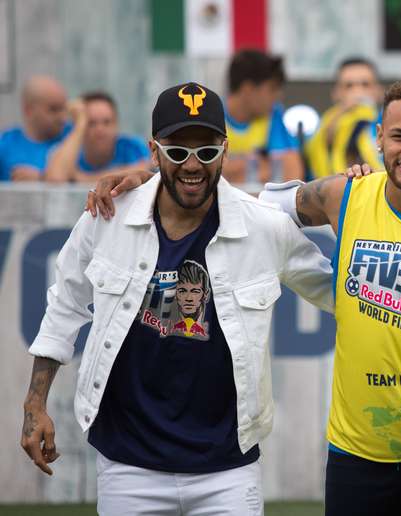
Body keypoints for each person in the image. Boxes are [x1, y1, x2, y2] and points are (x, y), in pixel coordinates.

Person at [86, 78, 401, 515]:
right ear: (378, 138)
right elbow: (245, 202)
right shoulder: (343, 196)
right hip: (358, 453)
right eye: (398, 135)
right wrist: (157, 178)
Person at [20, 81, 334, 515]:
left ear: (225, 151)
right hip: (128, 464)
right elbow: (65, 304)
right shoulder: (108, 216)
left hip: (227, 467)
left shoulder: (264, 227)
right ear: (154, 151)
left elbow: (342, 294)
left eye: (206, 152)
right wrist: (35, 403)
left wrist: (370, 211)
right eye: (177, 151)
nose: (192, 165)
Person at [223, 49, 303, 183]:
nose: (278, 96)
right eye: (272, 89)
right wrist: (261, 166)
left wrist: (232, 169)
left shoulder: (273, 115)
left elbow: (293, 172)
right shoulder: (212, 116)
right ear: (248, 89)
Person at [45, 91, 150, 183]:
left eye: (107, 122)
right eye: (91, 123)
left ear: (117, 125)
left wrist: (82, 178)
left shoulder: (132, 146)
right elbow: (55, 179)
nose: (100, 129)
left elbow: (145, 172)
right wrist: (80, 124)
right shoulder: (69, 150)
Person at [305, 57, 383, 179]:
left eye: (365, 85)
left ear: (379, 91)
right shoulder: (321, 131)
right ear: (335, 93)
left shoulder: (392, 128)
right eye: (349, 86)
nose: (358, 92)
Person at [0, 75, 70, 181]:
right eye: (54, 109)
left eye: (64, 109)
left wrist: (42, 177)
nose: (62, 117)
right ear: (28, 110)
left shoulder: (72, 137)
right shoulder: (6, 144)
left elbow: (100, 179)